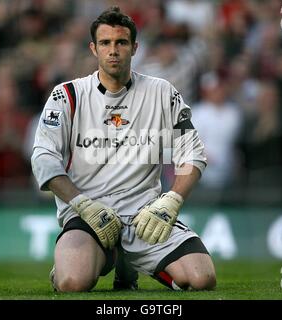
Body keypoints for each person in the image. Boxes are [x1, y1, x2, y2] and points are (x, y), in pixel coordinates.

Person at [31, 6, 216, 292]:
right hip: (88, 214)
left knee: (202, 279)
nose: (113, 50)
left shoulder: (162, 92)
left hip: (146, 215)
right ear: (94, 48)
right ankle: (110, 257)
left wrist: (171, 201)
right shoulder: (67, 95)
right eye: (105, 43)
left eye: (121, 42)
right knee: (72, 282)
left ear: (134, 47)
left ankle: (135, 259)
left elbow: (192, 152)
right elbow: (43, 159)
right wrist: (82, 205)